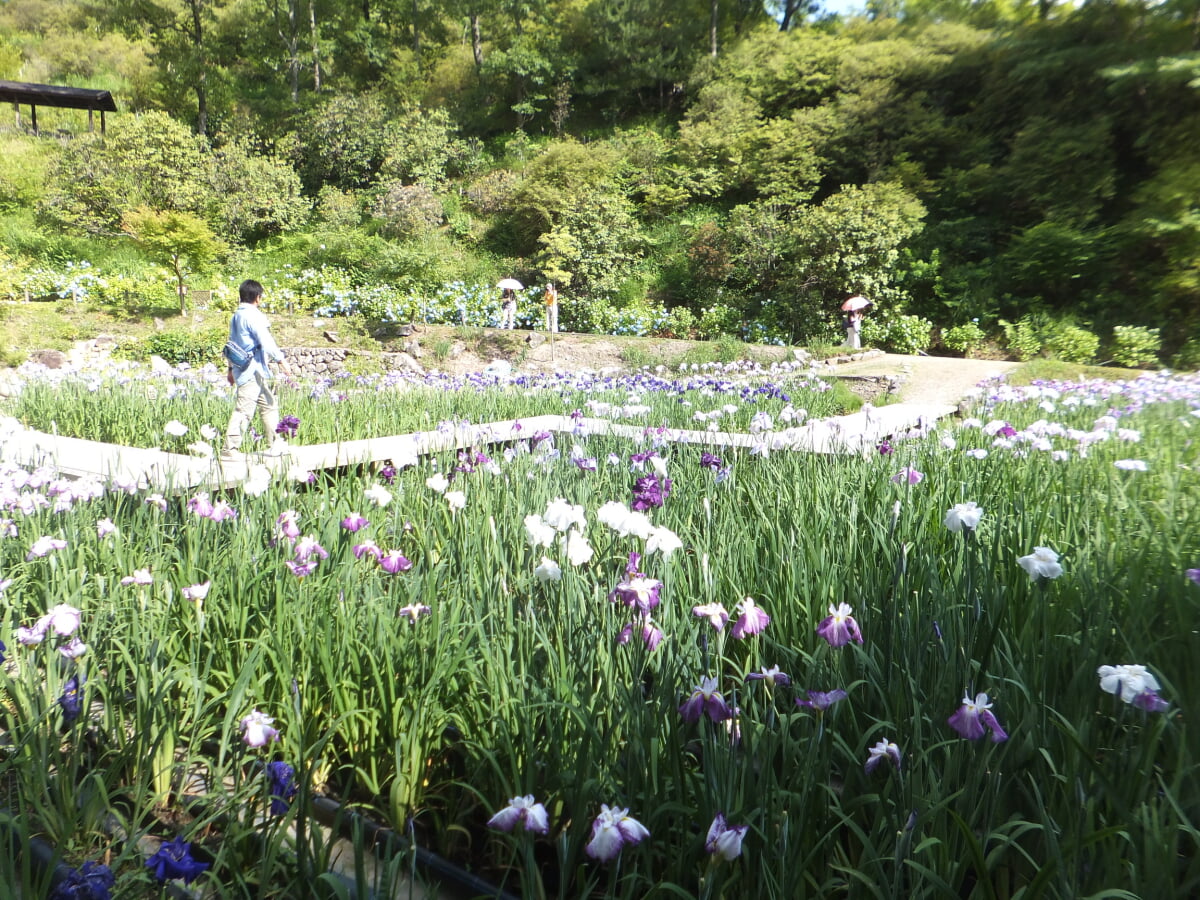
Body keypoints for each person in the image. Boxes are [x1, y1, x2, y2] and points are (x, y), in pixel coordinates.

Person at [222, 279, 292, 460]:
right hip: (251, 371)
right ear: (258, 298)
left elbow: (231, 344)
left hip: (248, 369)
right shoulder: (253, 316)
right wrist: (281, 360)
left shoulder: (236, 316)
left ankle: (275, 444)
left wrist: (230, 369)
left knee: (269, 405)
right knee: (244, 410)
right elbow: (265, 340)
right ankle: (229, 450)